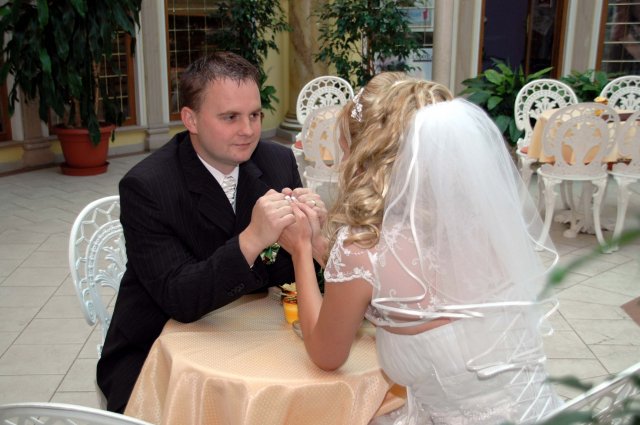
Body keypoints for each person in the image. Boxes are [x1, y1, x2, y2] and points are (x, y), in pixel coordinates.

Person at [279, 72, 563, 424]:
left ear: (367, 157)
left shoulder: (362, 247)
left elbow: (326, 355)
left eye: (347, 150)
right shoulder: (479, 223)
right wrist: (323, 248)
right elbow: (405, 284)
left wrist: (300, 250)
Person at [97, 51, 325, 413]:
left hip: (249, 334)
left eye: (254, 115)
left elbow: (286, 273)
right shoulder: (148, 186)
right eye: (230, 117)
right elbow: (179, 299)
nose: (248, 130)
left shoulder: (276, 161)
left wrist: (312, 240)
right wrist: (252, 239)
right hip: (156, 350)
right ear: (191, 119)